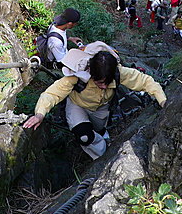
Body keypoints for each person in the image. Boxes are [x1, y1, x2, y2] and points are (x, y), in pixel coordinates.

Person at [23, 50, 167, 159]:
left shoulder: (119, 72)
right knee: (84, 136)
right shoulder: (77, 76)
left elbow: (146, 81)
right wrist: (40, 114)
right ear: (91, 73)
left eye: (107, 83)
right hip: (77, 106)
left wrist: (163, 101)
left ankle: (101, 135)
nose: (104, 86)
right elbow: (52, 93)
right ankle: (103, 156)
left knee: (99, 129)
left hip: (102, 108)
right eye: (99, 83)